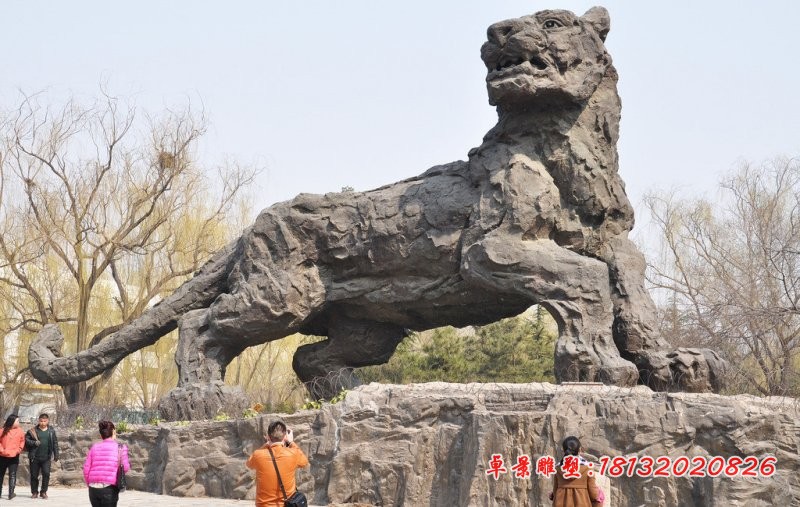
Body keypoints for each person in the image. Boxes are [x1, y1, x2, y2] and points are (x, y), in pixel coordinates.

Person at [246, 420, 309, 507]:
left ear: (268, 437)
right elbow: (304, 462)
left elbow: (249, 464)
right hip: (286, 505)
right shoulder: (293, 453)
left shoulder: (258, 454)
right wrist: (291, 442)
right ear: (285, 437)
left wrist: (266, 444)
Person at [83, 420, 130, 507]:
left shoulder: (94, 447)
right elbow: (125, 468)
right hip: (109, 488)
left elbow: (86, 468)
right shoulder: (121, 448)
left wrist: (89, 483)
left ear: (101, 435)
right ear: (113, 432)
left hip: (93, 488)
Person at [550, 436, 602, 507]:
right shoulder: (588, 468)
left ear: (564, 451)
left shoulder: (558, 468)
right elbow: (594, 495)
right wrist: (599, 493)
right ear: (579, 449)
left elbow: (555, 492)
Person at [25, 413, 59, 499]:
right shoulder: (32, 431)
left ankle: (43, 492)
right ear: (38, 421)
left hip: (46, 458)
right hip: (34, 457)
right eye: (41, 421)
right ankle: (34, 492)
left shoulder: (51, 431)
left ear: (48, 421)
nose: (43, 423)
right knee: (34, 475)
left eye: (44, 421)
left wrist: (56, 454)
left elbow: (55, 443)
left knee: (46, 474)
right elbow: (26, 441)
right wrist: (34, 443)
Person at [0, 414, 25, 499]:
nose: (18, 422)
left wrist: (19, 450)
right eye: (17, 421)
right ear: (12, 421)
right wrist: (2, 450)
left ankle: (11, 493)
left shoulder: (20, 431)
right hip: (2, 456)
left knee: (12, 475)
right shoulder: (2, 430)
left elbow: (22, 441)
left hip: (14, 456)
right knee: (1, 474)